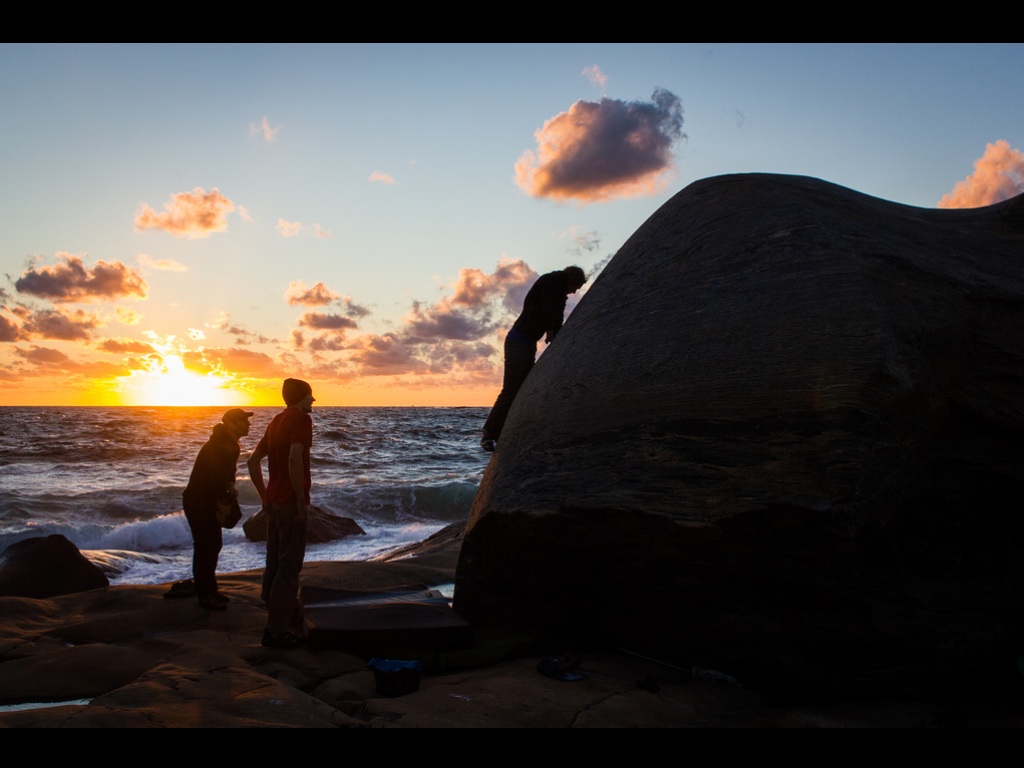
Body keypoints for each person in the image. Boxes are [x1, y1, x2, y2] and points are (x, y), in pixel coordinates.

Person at [481, 265, 587, 451]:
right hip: (518, 341)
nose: (573, 292)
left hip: (527, 343)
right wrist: (551, 328)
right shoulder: (551, 282)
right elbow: (546, 309)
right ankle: (489, 434)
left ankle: (504, 431)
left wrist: (553, 330)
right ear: (570, 280)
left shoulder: (558, 291)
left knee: (524, 388)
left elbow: (556, 314)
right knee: (511, 390)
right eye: (575, 288)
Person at [247, 378, 316, 649]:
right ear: (301, 397)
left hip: (273, 502)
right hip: (288, 503)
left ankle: (280, 616)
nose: (314, 400)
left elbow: (252, 461)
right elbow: (294, 458)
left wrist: (264, 495)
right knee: (289, 567)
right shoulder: (301, 420)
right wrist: (300, 500)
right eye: (310, 395)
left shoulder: (275, 421)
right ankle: (275, 631)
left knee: (273, 562)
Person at [182, 407, 253, 611]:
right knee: (207, 545)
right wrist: (227, 490)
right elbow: (216, 476)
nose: (248, 424)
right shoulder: (220, 445)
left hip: (207, 501)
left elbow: (226, 474)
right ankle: (206, 594)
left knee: (211, 545)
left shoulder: (231, 444)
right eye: (243, 420)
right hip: (199, 502)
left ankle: (207, 589)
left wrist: (229, 487)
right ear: (231, 424)